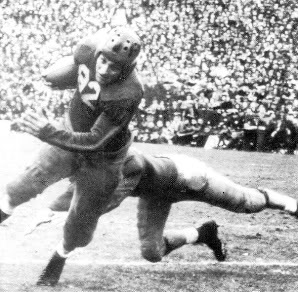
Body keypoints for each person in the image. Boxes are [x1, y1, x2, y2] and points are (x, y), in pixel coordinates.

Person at [35, 147, 298, 286]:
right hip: (157, 193)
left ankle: (290, 203)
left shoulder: (127, 163)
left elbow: (106, 201)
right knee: (152, 252)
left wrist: (60, 251)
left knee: (247, 203)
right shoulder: (97, 165)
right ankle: (203, 233)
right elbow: (79, 192)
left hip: (189, 177)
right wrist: (50, 208)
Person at [0, 25, 143, 279]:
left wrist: (48, 133)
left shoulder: (128, 92)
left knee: (80, 225)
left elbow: (94, 141)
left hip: (104, 158)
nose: (105, 70)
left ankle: (59, 258)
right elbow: (77, 71)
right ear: (97, 52)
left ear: (126, 70)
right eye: (103, 61)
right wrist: (61, 78)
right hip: (71, 127)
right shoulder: (86, 48)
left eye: (114, 67)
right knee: (19, 186)